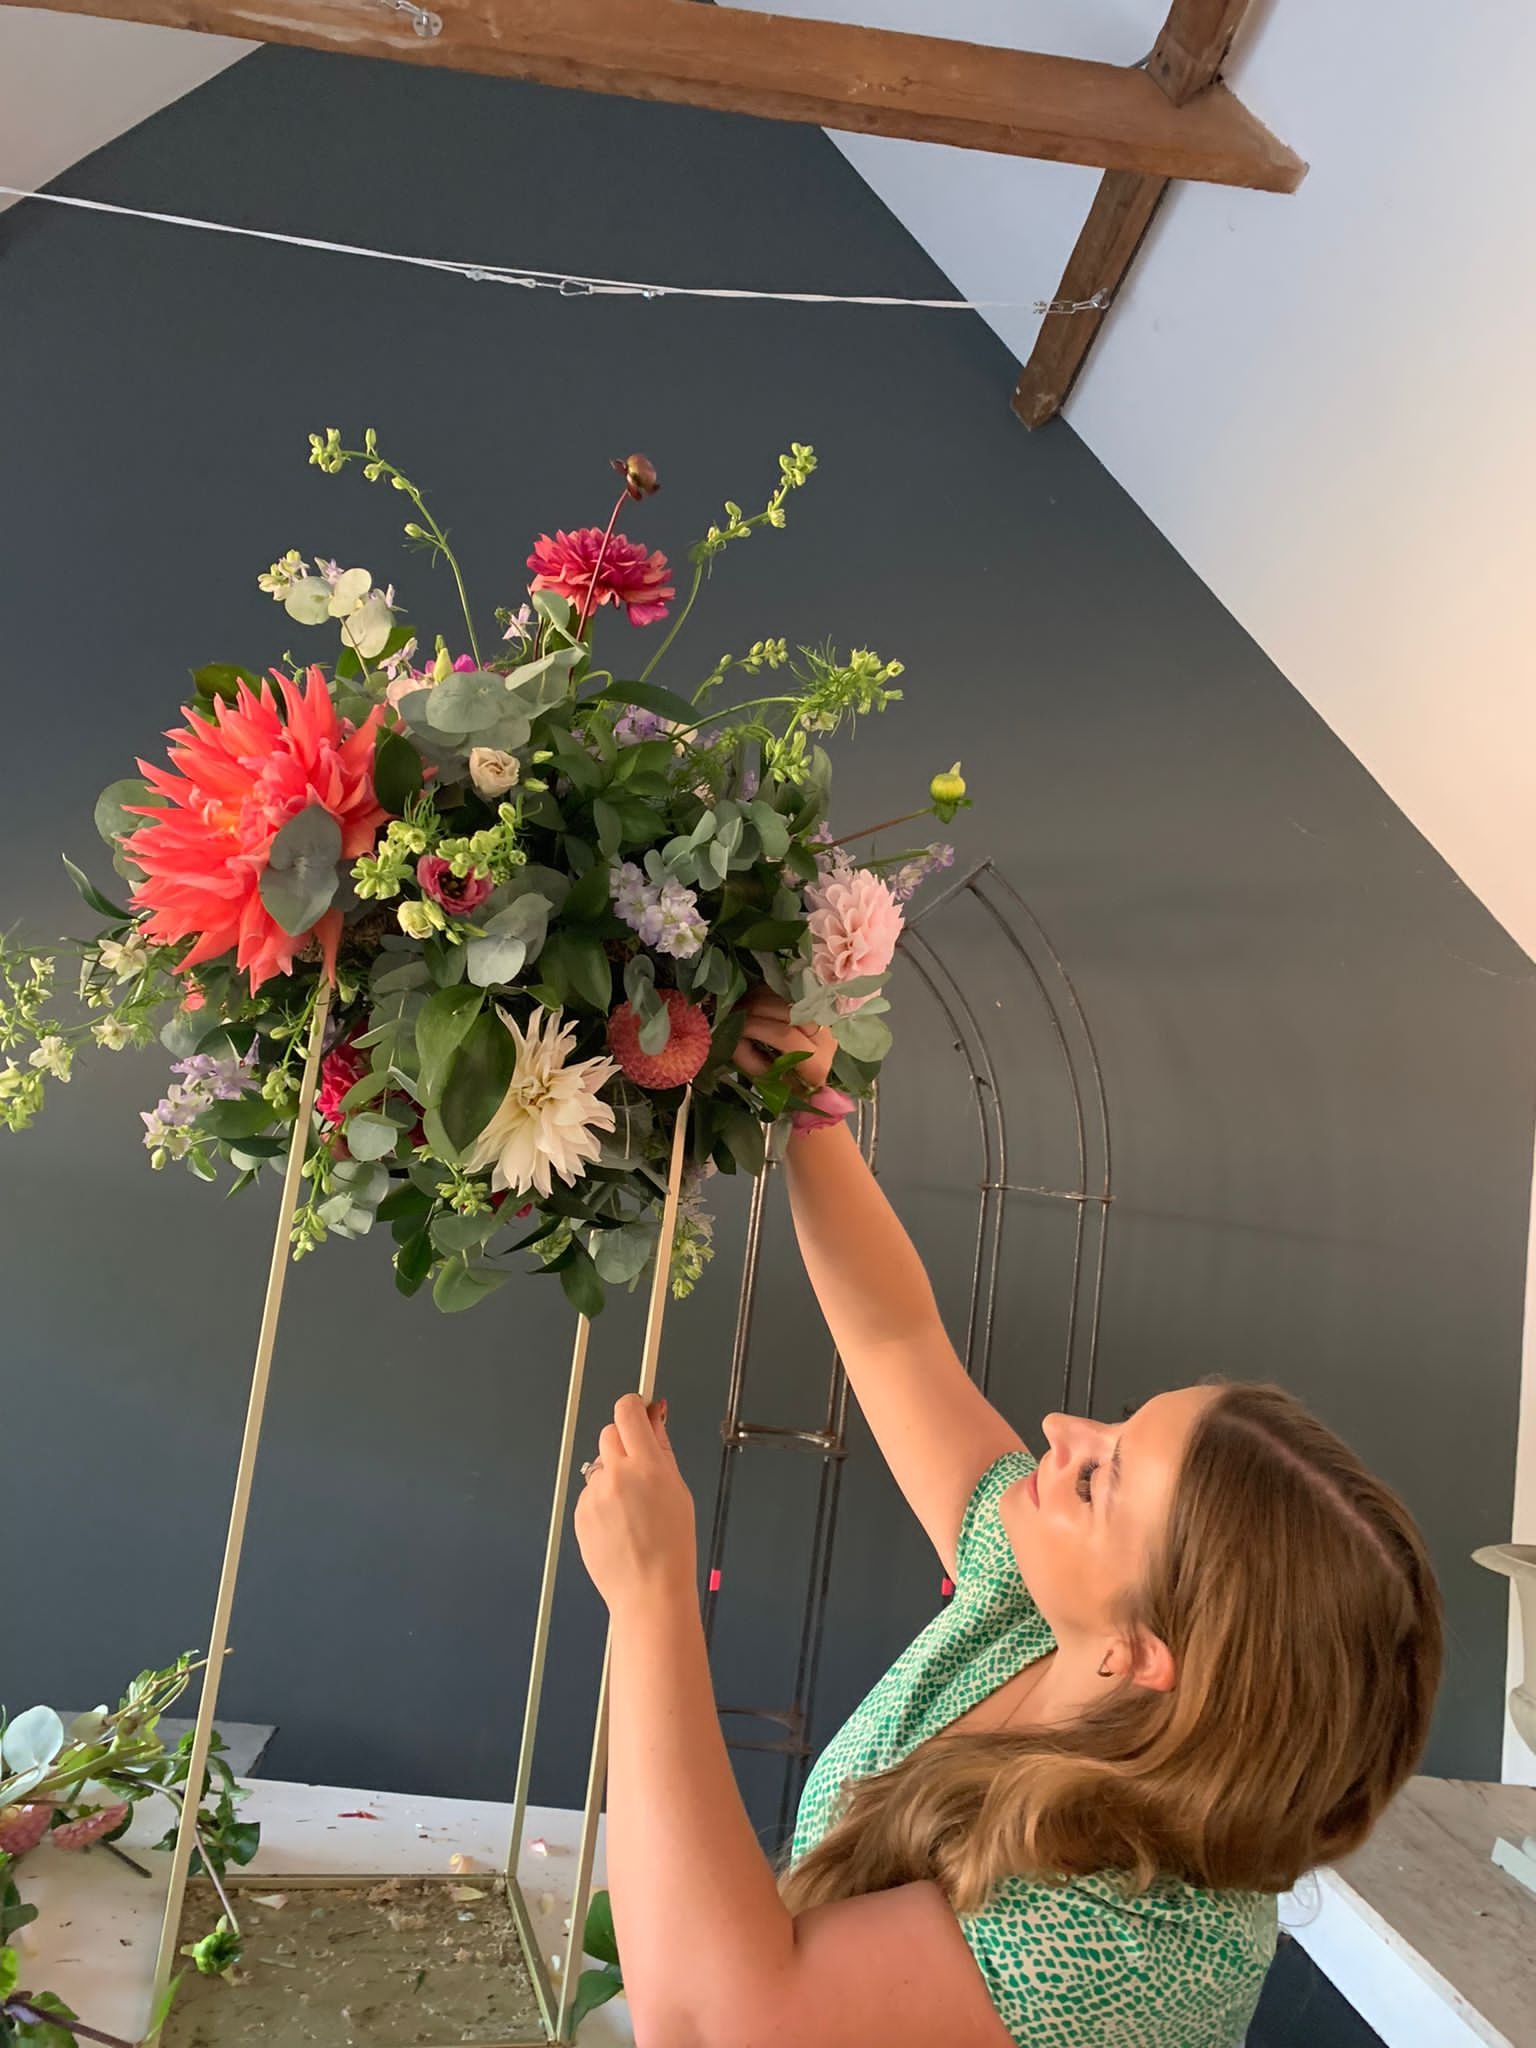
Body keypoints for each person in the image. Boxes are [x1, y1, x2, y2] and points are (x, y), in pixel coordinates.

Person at [573, 993, 1443, 2048]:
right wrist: (809, 1110)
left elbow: (717, 2022)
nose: (1060, 1429)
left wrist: (654, 1598)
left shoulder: (1131, 1941)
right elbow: (896, 1338)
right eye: (1116, 1423)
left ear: (1143, 1649)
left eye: (1099, 1477)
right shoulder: (1042, 1611)